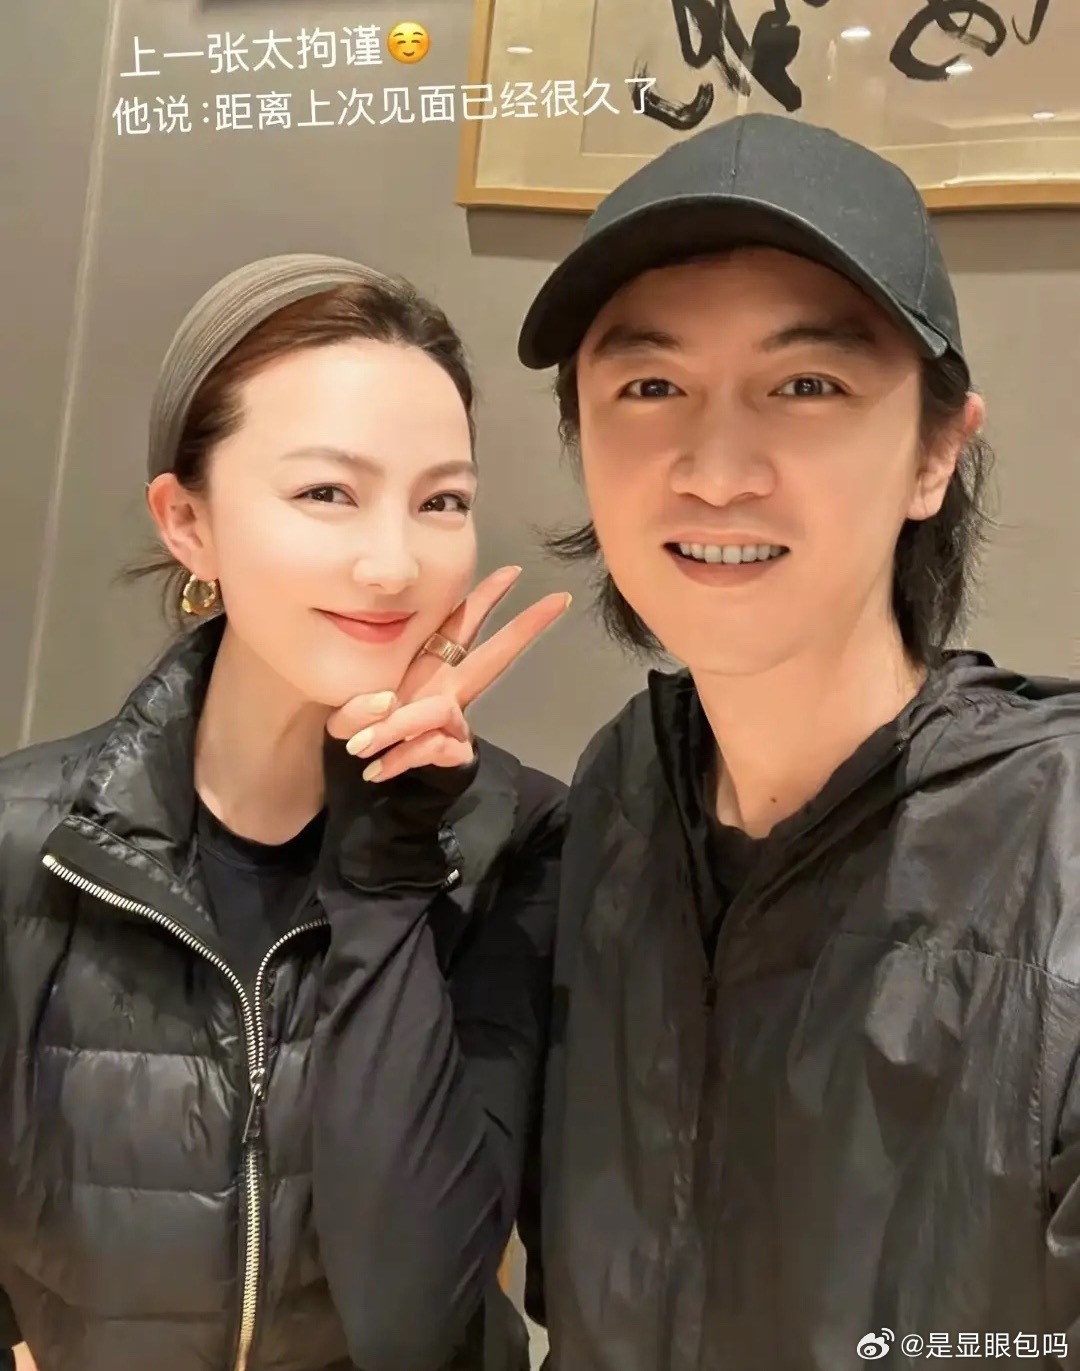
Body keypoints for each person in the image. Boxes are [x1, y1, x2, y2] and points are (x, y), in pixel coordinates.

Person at [515, 114, 1080, 1367]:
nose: (716, 471)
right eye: (649, 387)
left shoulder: (1058, 844)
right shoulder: (618, 798)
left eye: (808, 384)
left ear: (937, 451)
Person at [0, 254, 570, 1371]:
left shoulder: (518, 838)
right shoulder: (25, 844)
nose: (394, 564)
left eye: (442, 501)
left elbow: (415, 1322)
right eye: (326, 493)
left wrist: (388, 872)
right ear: (188, 522)